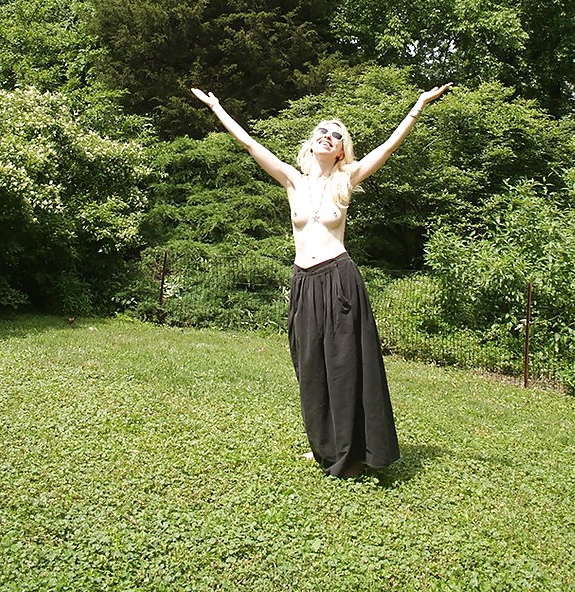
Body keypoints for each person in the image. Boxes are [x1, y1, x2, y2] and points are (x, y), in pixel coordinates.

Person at [191, 83, 452, 478]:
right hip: (304, 282)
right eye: (321, 132)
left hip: (339, 279)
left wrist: (418, 105)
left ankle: (357, 450)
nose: (327, 136)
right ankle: (324, 447)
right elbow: (248, 143)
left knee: (346, 365)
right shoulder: (292, 181)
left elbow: (389, 146)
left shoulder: (346, 181)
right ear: (311, 143)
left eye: (335, 135)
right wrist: (216, 106)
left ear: (342, 149)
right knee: (310, 366)